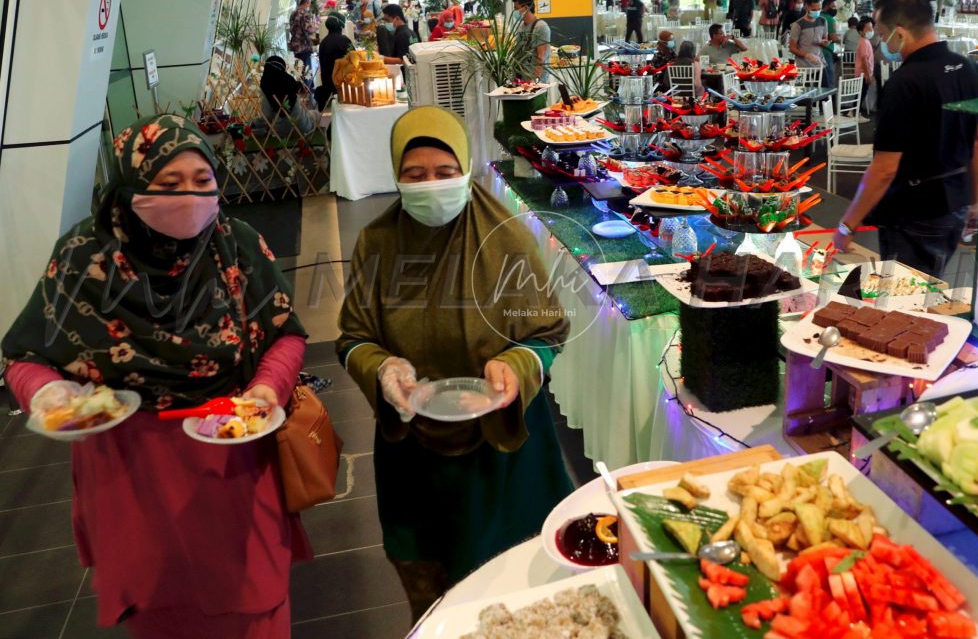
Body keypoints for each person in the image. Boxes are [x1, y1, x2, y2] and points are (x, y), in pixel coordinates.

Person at [1, 114, 310, 637]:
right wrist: (51, 394)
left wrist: (265, 389)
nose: (188, 197)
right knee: (164, 614)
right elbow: (25, 356)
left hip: (232, 460)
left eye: (201, 181)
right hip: (130, 475)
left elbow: (285, 331)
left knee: (255, 605)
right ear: (129, 187)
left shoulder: (235, 246)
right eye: (168, 184)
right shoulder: (84, 259)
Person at [335, 105, 573, 620]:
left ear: (466, 170)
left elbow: (547, 331)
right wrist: (382, 368)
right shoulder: (377, 243)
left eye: (445, 173)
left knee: (516, 592)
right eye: (414, 175)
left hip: (502, 453)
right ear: (395, 176)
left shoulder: (505, 237)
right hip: (412, 450)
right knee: (433, 591)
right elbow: (353, 337)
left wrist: (517, 364)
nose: (431, 185)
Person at [833, 0, 978, 279]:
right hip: (956, 199)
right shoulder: (968, 69)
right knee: (930, 284)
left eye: (881, 31)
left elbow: (885, 169)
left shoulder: (904, 83)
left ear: (900, 33)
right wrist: (974, 200)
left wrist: (847, 225)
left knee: (906, 297)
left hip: (916, 209)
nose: (880, 40)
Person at [258, 55, 320, 136]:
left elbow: (266, 115)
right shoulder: (290, 82)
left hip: (280, 131)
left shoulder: (265, 85)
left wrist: (254, 123)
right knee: (316, 114)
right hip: (302, 127)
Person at [316, 12, 354, 110]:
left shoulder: (323, 42)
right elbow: (354, 59)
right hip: (343, 85)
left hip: (328, 85)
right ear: (341, 26)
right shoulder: (344, 40)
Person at [511, 0, 551, 81]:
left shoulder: (541, 27)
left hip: (536, 80)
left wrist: (536, 80)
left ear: (526, 7)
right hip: (522, 77)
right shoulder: (520, 26)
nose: (515, 12)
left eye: (516, 9)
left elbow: (541, 57)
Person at [789, 0, 828, 75]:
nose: (817, 12)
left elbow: (825, 40)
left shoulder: (823, 21)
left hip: (820, 64)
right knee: (802, 88)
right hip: (803, 67)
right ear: (806, 7)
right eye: (814, 10)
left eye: (819, 9)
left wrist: (824, 43)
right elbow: (792, 48)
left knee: (825, 87)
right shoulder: (798, 24)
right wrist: (807, 55)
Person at [288, 0, 316, 76]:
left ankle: (299, 87)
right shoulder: (304, 14)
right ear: (306, 3)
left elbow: (292, 27)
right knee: (306, 69)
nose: (309, 6)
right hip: (303, 46)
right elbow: (309, 29)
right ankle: (307, 87)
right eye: (309, 4)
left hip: (295, 45)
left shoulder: (293, 13)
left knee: (298, 69)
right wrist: (316, 27)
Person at [854, 18, 877, 114]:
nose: (871, 30)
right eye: (868, 29)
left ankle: (854, 112)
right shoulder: (863, 42)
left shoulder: (866, 41)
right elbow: (864, 60)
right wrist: (868, 75)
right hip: (863, 74)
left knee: (861, 93)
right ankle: (855, 113)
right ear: (861, 31)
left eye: (871, 28)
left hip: (864, 74)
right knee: (860, 94)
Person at [820, 0, 842, 87]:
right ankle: (830, 100)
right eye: (833, 6)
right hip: (826, 52)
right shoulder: (830, 19)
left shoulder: (818, 16)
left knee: (820, 80)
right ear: (826, 6)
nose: (835, 9)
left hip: (816, 52)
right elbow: (833, 38)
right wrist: (840, 39)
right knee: (829, 80)